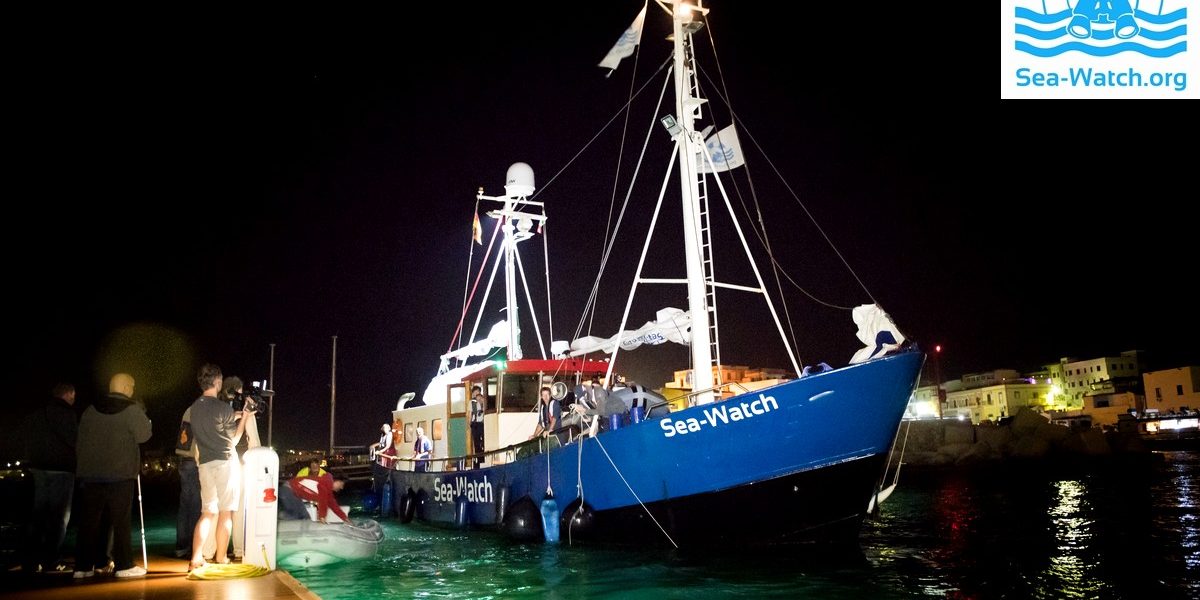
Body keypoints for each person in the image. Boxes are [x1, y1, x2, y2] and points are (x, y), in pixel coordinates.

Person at [73, 373, 152, 579]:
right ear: (125, 387)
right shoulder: (131, 409)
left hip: (91, 474)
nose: (133, 390)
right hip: (120, 473)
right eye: (132, 386)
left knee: (89, 522)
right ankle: (124, 565)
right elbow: (145, 435)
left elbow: (79, 439)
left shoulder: (90, 410)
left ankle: (83, 567)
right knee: (120, 521)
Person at [188, 363, 252, 571]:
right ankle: (221, 557)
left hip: (205, 464)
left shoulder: (194, 408)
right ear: (217, 381)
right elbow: (233, 439)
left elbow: (211, 426)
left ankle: (196, 558)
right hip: (226, 462)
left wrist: (233, 417)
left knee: (207, 512)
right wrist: (245, 417)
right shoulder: (223, 408)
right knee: (226, 512)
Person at [20, 383, 78, 574]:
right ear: (68, 394)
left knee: (38, 515)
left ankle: (30, 560)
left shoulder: (37, 414)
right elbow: (74, 440)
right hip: (61, 469)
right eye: (73, 394)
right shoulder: (67, 414)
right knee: (59, 517)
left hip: (39, 468)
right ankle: (51, 559)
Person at [281, 459, 354, 524]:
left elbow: (334, 506)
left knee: (306, 519)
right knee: (301, 517)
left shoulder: (328, 492)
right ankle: (280, 518)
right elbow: (322, 501)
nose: (341, 488)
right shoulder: (325, 483)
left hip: (292, 493)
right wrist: (322, 517)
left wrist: (346, 519)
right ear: (336, 481)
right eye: (341, 484)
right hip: (288, 491)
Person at [173, 403, 200, 559]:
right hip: (193, 460)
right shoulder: (200, 409)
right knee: (196, 504)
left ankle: (181, 546)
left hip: (184, 459)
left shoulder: (189, 409)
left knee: (185, 505)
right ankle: (192, 546)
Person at [369, 423, 394, 494]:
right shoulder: (383, 435)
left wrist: (380, 451)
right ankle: (377, 488)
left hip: (387, 454)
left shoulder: (389, 434)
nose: (384, 429)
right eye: (383, 428)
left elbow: (388, 446)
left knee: (384, 469)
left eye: (385, 428)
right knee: (377, 468)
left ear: (388, 428)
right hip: (381, 456)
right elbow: (381, 443)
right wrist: (374, 446)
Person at [469, 386, 486, 467]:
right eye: (475, 392)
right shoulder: (472, 402)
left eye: (477, 392)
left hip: (481, 423)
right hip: (475, 424)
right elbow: (470, 413)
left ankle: (483, 458)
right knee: (476, 443)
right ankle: (478, 459)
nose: (476, 394)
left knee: (482, 441)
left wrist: (482, 402)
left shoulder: (483, 400)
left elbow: (485, 410)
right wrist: (469, 424)